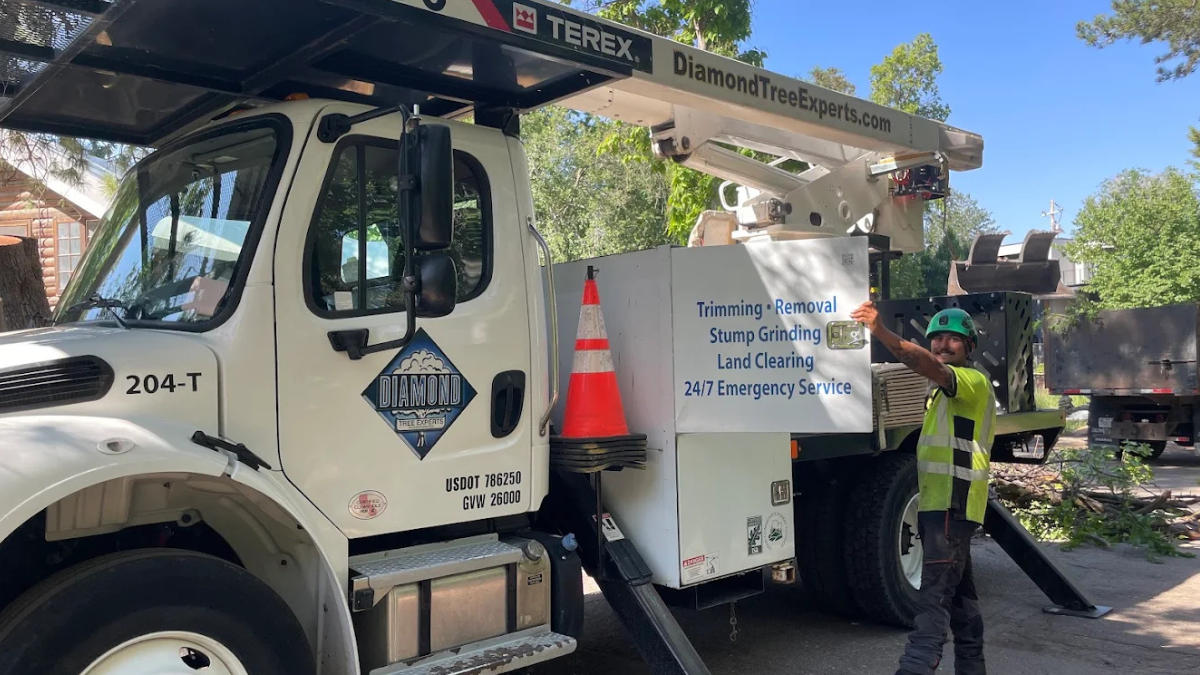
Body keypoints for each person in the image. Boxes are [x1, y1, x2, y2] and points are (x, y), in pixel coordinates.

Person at [850, 302, 996, 675]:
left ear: (970, 348)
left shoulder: (971, 383)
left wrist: (880, 330)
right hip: (947, 510)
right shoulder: (943, 395)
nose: (943, 345)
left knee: (932, 609)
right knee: (963, 607)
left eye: (954, 339)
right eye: (937, 338)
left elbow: (924, 365)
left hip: (951, 507)